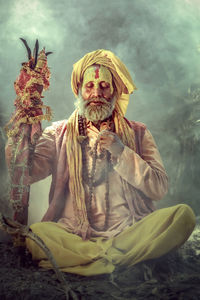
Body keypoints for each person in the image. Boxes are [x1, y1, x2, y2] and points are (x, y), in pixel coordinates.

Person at [5, 49, 196, 276]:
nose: (97, 93)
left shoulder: (138, 132)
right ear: (79, 90)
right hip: (74, 233)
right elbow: (26, 175)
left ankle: (93, 259)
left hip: (128, 232)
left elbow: (159, 188)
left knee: (183, 216)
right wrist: (20, 135)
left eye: (104, 86)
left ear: (114, 90)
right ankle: (113, 260)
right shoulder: (58, 133)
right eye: (89, 86)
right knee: (38, 234)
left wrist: (122, 152)